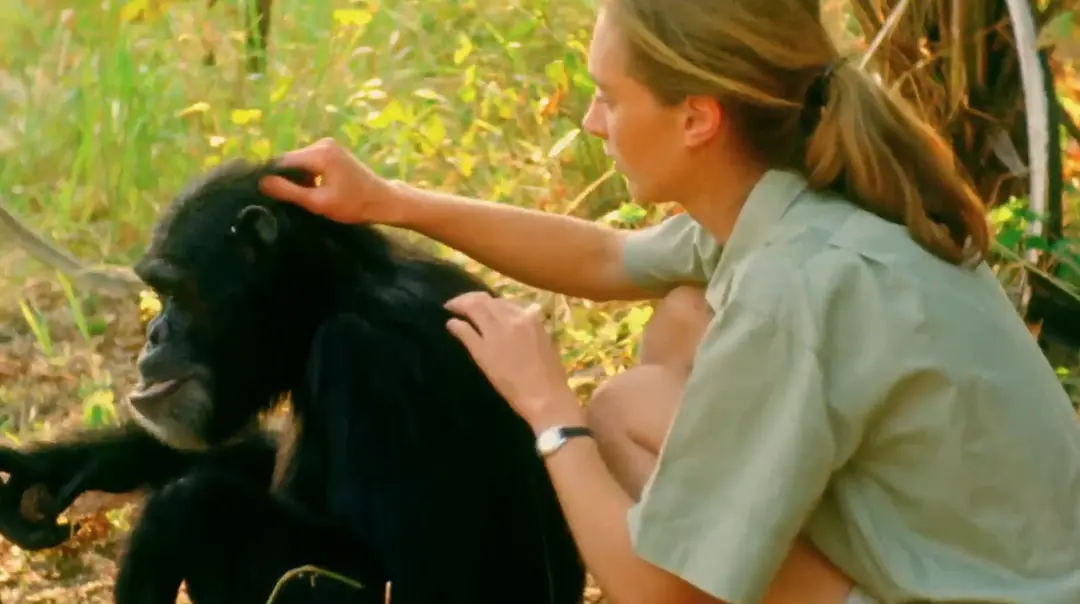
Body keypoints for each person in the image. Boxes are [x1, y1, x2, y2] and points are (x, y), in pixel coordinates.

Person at [259, 1, 1080, 603]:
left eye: (609, 97)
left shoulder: (792, 287)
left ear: (696, 118)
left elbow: (654, 594)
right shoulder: (809, 201)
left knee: (613, 415)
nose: (590, 120)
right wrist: (388, 201)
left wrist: (548, 407)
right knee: (670, 337)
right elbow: (609, 256)